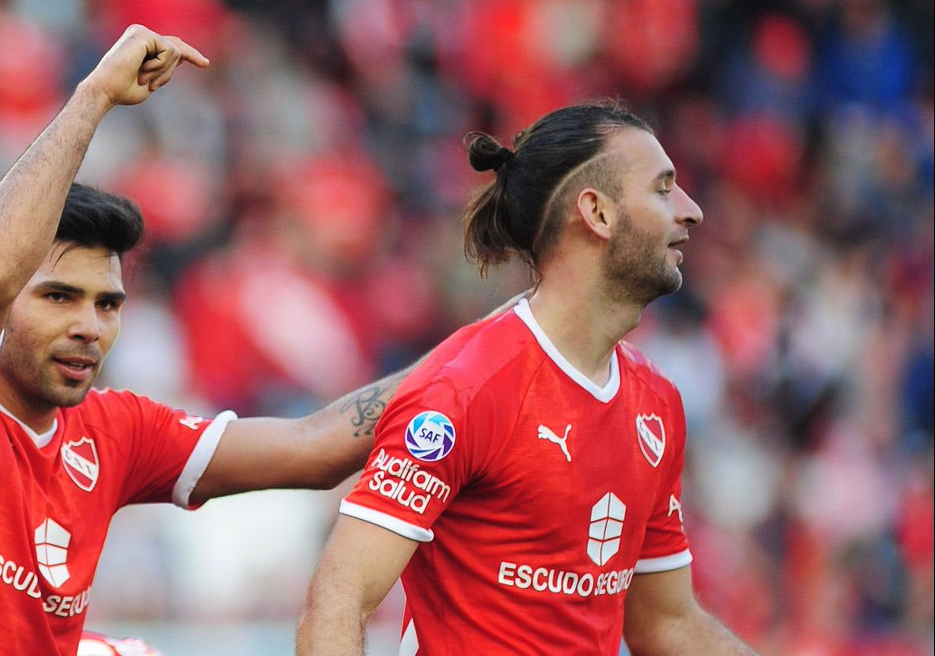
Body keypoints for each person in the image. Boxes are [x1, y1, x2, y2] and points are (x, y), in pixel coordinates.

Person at [0, 25, 412, 655]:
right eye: (59, 297)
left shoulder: (116, 433)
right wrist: (94, 98)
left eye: (107, 304)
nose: (89, 325)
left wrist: (480, 348)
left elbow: (315, 447)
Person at [297, 103, 759, 655]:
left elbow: (668, 624)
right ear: (598, 213)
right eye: (663, 190)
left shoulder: (655, 402)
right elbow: (339, 599)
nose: (692, 211)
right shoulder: (463, 392)